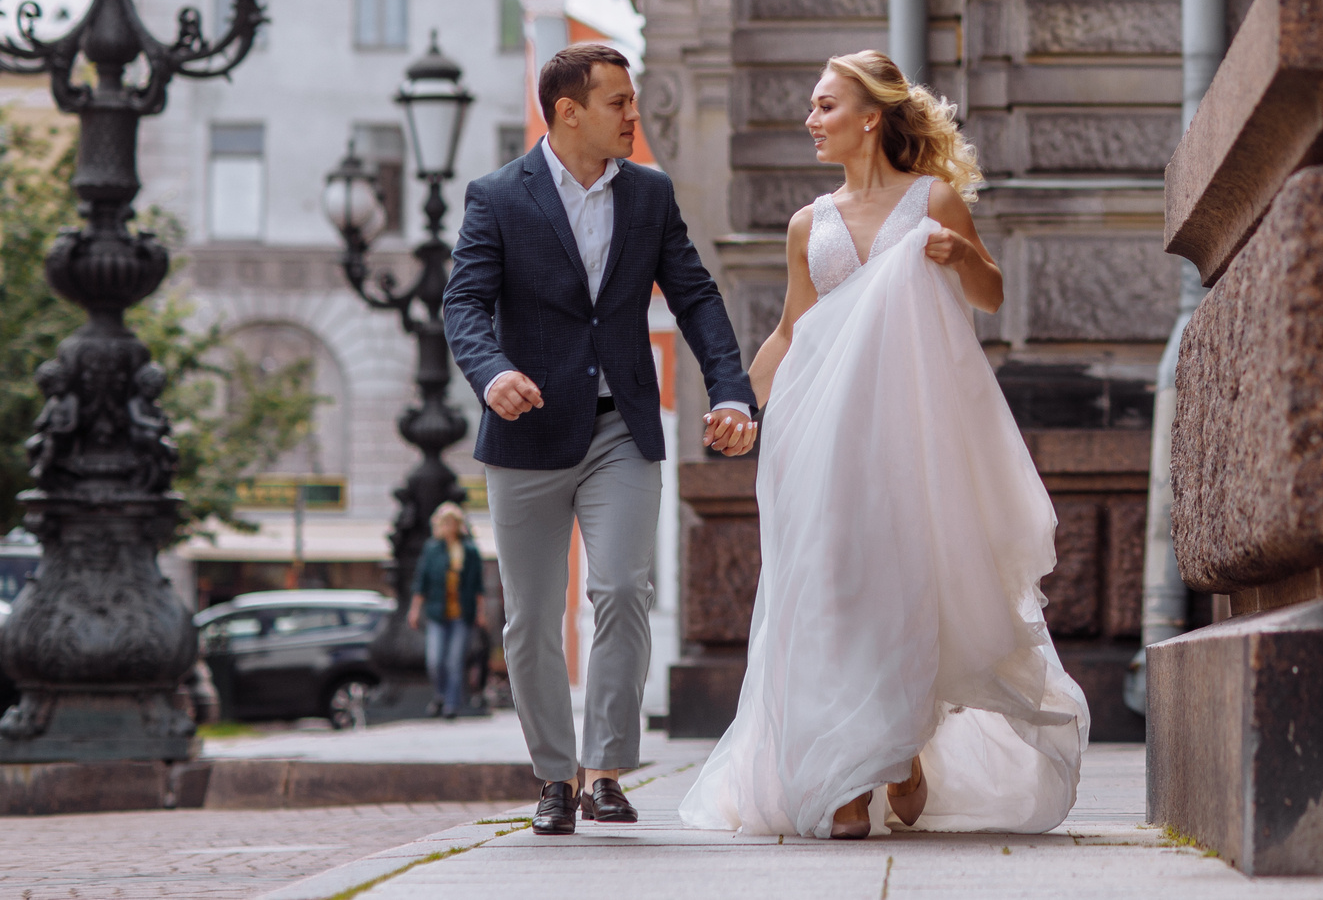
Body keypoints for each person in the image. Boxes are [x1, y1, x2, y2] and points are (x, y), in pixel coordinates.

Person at [680, 50, 1088, 841]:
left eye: (825, 105)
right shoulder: (809, 223)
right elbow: (794, 330)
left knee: (907, 583)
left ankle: (898, 747)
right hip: (820, 442)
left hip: (912, 437)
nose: (810, 119)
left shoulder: (933, 199)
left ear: (871, 116)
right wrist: (739, 404)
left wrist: (961, 252)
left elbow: (991, 292)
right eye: (811, 105)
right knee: (833, 589)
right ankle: (847, 766)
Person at [444, 41, 759, 836]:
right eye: (619, 101)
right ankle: (554, 773)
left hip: (623, 428)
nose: (634, 115)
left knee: (622, 588)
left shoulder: (648, 194)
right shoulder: (498, 196)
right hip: (525, 431)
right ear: (569, 111)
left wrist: (731, 389)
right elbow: (464, 305)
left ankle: (607, 769)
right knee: (531, 616)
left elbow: (695, 296)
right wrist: (491, 373)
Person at [407, 502, 484, 719]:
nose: (449, 527)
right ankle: (440, 696)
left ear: (458, 525)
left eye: (452, 522)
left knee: (455, 661)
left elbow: (477, 585)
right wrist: (414, 610)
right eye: (445, 523)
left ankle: (452, 705)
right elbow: (421, 582)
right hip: (437, 612)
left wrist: (480, 612)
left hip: (462, 613)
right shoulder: (432, 549)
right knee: (435, 660)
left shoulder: (469, 550)